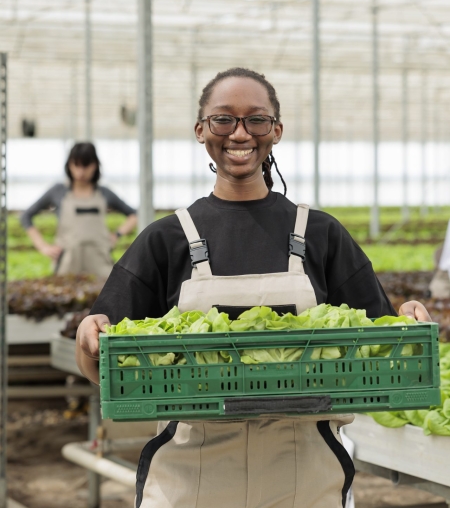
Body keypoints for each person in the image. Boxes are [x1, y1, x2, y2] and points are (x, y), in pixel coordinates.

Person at [76, 68, 431, 508]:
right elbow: (102, 363)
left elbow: (383, 349)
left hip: (306, 480)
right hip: (190, 484)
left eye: (256, 120)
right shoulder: (166, 239)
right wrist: (88, 336)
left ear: (276, 131)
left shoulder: (320, 234)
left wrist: (408, 326)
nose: (239, 133)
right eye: (223, 119)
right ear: (201, 130)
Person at [21, 141, 137, 279]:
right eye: (76, 165)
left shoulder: (104, 193)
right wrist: (42, 246)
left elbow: (134, 215)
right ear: (69, 165)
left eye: (86, 165)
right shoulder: (58, 191)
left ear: (95, 165)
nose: (81, 172)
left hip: (100, 264)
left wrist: (117, 235)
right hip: (67, 264)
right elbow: (26, 216)